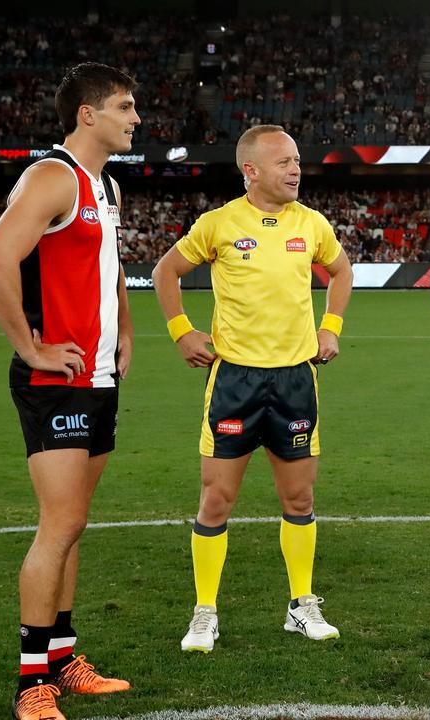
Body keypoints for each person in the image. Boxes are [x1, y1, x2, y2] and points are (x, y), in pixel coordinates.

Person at [152, 125, 354, 653]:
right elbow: (165, 272)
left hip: (295, 379)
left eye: (297, 160)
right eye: (284, 162)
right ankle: (204, 612)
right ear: (252, 171)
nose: (296, 169)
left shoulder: (311, 223)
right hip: (235, 379)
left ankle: (301, 604)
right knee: (216, 500)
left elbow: (340, 271)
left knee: (300, 496)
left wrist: (330, 326)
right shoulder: (218, 224)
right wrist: (182, 331)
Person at [0, 62, 139, 720]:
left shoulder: (108, 185)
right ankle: (29, 685)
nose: (136, 119)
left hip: (96, 376)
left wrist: (126, 330)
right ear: (88, 115)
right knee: (60, 524)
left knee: (74, 527)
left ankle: (62, 659)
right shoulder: (52, 176)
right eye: (126, 107)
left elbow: (111, 266)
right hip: (55, 381)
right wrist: (30, 346)